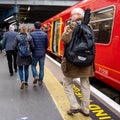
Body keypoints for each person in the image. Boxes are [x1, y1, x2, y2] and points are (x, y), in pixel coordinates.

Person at [61, 8, 94, 117]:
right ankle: (85, 109)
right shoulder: (89, 27)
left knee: (67, 83)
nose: (70, 17)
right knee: (85, 84)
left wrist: (68, 30)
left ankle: (74, 106)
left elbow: (65, 40)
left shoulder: (71, 26)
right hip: (86, 61)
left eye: (72, 15)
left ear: (79, 15)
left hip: (72, 61)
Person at [30, 21, 48, 86]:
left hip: (35, 53)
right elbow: (46, 45)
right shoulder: (45, 34)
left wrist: (32, 50)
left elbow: (31, 45)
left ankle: (35, 76)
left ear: (34, 26)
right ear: (41, 26)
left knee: (33, 65)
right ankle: (40, 81)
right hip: (42, 54)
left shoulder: (31, 34)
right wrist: (44, 50)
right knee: (42, 67)